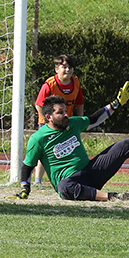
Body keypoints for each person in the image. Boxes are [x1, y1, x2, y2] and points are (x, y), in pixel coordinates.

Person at [9, 86, 129, 201]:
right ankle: (111, 197)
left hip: (92, 172)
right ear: (48, 117)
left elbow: (95, 119)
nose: (65, 114)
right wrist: (25, 187)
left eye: (65, 111)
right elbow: (27, 166)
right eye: (60, 112)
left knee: (125, 145)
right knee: (64, 188)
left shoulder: (72, 123)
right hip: (71, 183)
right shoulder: (38, 138)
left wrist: (115, 104)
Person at [32, 54, 85, 186]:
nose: (68, 70)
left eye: (71, 67)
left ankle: (70, 178)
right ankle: (37, 180)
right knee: (44, 152)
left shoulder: (76, 82)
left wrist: (80, 119)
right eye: (64, 67)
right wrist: (47, 121)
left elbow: (79, 102)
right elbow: (39, 104)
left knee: (69, 149)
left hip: (66, 123)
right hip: (48, 124)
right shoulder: (49, 85)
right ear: (57, 69)